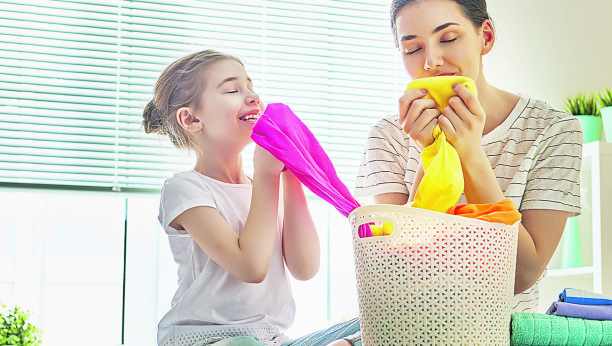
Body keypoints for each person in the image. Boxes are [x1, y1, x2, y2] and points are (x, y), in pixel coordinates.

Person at [335, 0, 583, 345]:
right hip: (404, 329)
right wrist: (430, 155)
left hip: (499, 334)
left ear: (486, 37)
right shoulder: (390, 135)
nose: (430, 62)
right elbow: (393, 274)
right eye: (412, 48)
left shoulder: (552, 130)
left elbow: (522, 274)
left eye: (448, 38)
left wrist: (470, 153)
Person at [143, 50, 360, 346]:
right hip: (205, 340)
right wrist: (268, 174)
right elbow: (251, 267)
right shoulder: (185, 189)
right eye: (233, 90)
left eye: (250, 86)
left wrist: (290, 174)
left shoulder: (261, 186)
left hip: (270, 340)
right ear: (192, 119)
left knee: (373, 325)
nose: (253, 96)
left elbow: (304, 267)